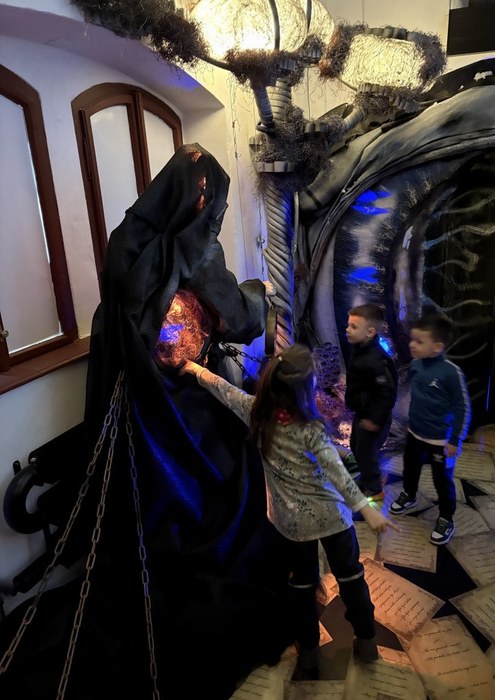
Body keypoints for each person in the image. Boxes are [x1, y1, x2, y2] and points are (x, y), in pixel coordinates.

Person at [0, 144, 288, 700]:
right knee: (235, 474)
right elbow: (235, 315)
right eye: (210, 201)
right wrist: (262, 297)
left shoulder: (126, 242)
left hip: (136, 403)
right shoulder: (197, 249)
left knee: (150, 497)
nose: (209, 210)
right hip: (186, 398)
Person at [181, 344, 398, 680]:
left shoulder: (256, 414)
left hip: (292, 526)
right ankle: (367, 642)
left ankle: (308, 654)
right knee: (351, 579)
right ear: (305, 391)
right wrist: (365, 510)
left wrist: (196, 371)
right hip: (333, 519)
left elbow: (225, 391)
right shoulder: (311, 430)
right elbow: (338, 474)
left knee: (301, 588)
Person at [390, 314, 471, 546]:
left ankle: (446, 517)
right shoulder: (416, 365)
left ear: (437, 347)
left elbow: (463, 406)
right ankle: (409, 495)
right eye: (412, 340)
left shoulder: (451, 372)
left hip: (441, 441)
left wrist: (455, 439)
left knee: (442, 480)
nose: (412, 345)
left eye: (419, 341)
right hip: (415, 433)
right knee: (410, 467)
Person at [344, 304, 398, 499]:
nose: (347, 330)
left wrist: (375, 419)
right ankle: (368, 478)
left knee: (366, 452)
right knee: (356, 446)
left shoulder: (376, 360)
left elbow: (386, 393)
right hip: (363, 412)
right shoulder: (360, 350)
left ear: (370, 332)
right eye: (348, 325)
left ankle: (374, 488)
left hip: (373, 416)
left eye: (354, 327)